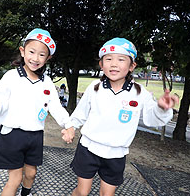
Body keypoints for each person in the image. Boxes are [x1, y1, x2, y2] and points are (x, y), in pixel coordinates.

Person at [61, 37, 179, 196]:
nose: (114, 64)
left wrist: (161, 108)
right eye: (108, 59)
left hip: (116, 154)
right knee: (82, 192)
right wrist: (71, 127)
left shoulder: (139, 92)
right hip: (88, 148)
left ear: (132, 66)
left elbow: (152, 118)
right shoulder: (94, 87)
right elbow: (80, 113)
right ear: (102, 65)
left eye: (121, 59)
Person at [0, 28, 74, 196]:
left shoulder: (47, 82)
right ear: (22, 51)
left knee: (31, 174)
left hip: (35, 135)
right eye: (31, 52)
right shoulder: (11, 76)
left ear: (48, 58)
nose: (35, 58)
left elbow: (56, 106)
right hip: (12, 135)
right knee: (14, 180)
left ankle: (26, 193)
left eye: (42, 55)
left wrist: (68, 125)